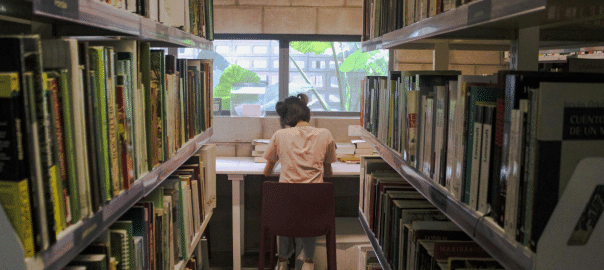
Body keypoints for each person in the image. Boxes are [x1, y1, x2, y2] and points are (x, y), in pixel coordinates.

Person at [262, 93, 337, 270]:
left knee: (285, 205)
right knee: (309, 205)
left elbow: (267, 172)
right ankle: (308, 261)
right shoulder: (325, 134)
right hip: (314, 209)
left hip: (286, 209)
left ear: (286, 118)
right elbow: (328, 173)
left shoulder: (280, 135)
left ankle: (282, 260)